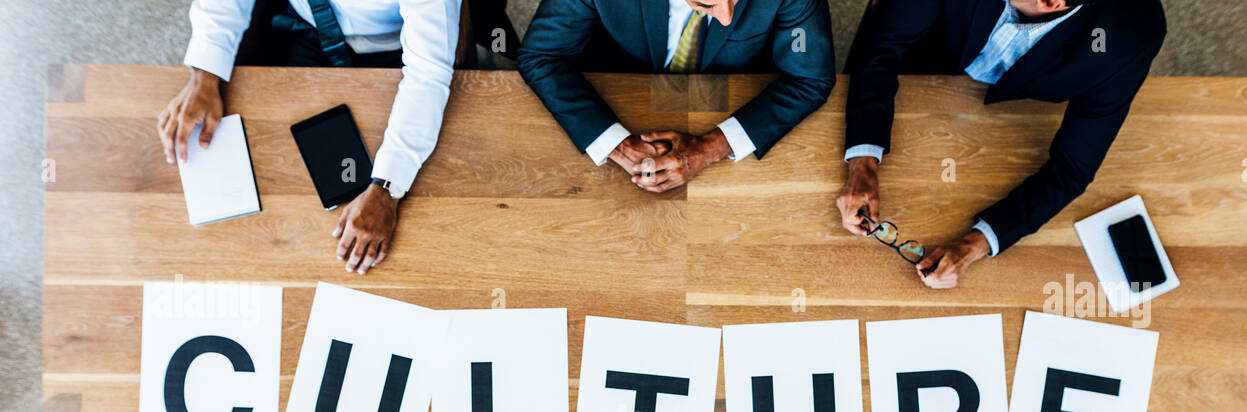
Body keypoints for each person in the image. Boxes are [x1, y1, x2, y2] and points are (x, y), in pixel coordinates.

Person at [837, 0, 1166, 289]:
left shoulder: (1129, 36)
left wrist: (973, 246)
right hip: (923, 59)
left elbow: (1072, 168)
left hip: (1010, 104)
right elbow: (882, 50)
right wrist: (863, 161)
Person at [157, 0, 463, 275]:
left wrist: (387, 185)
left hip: (391, 46)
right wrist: (204, 74)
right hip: (303, 28)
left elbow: (426, 75)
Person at [517, 0, 835, 193]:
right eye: (707, 4)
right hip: (616, 85)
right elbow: (541, 56)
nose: (726, 17)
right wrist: (617, 145)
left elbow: (809, 77)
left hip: (733, 98)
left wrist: (711, 147)